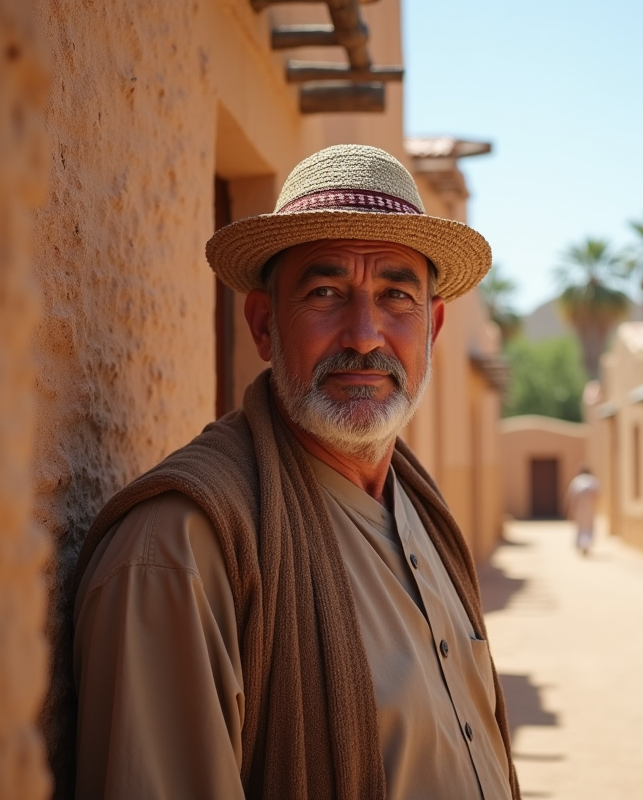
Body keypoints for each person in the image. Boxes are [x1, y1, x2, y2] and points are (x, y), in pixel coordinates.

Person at [70, 144, 519, 800]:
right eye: (326, 292)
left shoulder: (422, 514)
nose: (365, 335)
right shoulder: (181, 552)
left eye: (396, 295)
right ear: (262, 324)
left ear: (433, 327)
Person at [565, 466, 600, 556]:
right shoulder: (592, 480)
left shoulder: (576, 480)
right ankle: (586, 544)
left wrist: (571, 509)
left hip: (579, 508)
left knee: (580, 526)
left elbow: (571, 496)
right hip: (590, 507)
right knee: (588, 526)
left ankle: (582, 544)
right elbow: (597, 495)